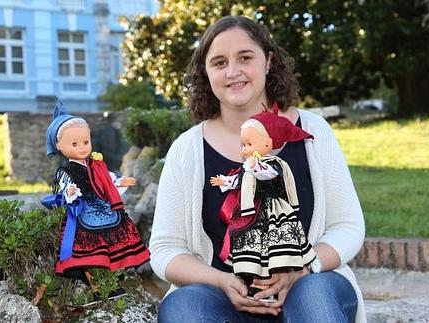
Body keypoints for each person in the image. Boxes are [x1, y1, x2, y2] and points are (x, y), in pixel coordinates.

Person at [149, 15, 365, 322]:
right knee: (184, 308)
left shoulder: (314, 132)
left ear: (268, 61)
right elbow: (165, 250)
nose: (233, 72)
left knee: (314, 297)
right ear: (206, 73)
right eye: (219, 62)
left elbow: (348, 227)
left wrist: (304, 268)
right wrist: (221, 281)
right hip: (222, 298)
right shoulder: (187, 149)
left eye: (245, 58)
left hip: (310, 284)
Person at [210, 103, 316, 302]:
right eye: (243, 145)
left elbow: (269, 176)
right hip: (253, 213)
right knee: (256, 249)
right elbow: (239, 182)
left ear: (268, 144)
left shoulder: (273, 164)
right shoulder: (248, 167)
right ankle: (256, 283)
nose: (244, 150)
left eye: (249, 144)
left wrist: (255, 167)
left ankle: (275, 278)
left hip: (273, 210)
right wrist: (224, 181)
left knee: (275, 246)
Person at [43, 102, 150, 284]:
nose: (83, 147)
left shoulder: (96, 165)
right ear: (59, 146)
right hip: (84, 211)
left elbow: (107, 180)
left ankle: (113, 279)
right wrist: (70, 192)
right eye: (75, 144)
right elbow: (66, 190)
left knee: (113, 244)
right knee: (91, 251)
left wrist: (120, 181)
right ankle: (95, 284)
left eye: (86, 142)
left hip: (105, 207)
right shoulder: (66, 171)